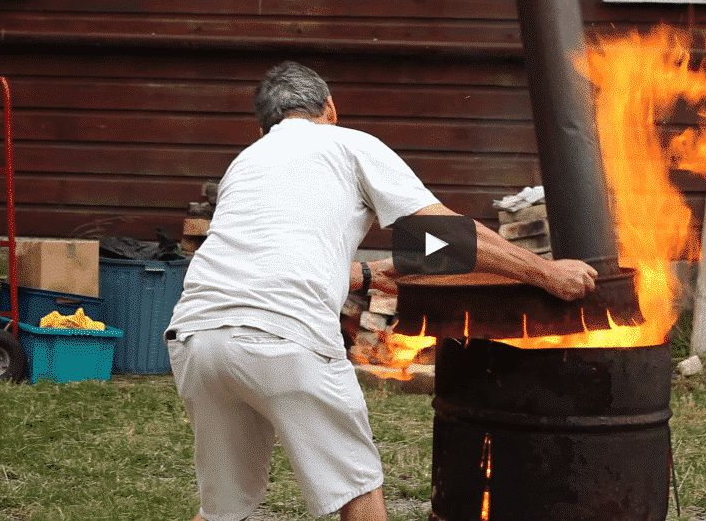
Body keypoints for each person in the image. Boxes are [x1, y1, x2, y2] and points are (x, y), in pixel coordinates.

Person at [165, 61, 599, 521]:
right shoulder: (349, 143)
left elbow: (276, 256)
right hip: (283, 339)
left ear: (263, 125)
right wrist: (546, 273)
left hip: (196, 341)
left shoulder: (245, 163)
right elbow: (443, 231)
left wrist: (371, 275)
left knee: (222, 509)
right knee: (357, 490)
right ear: (330, 107)